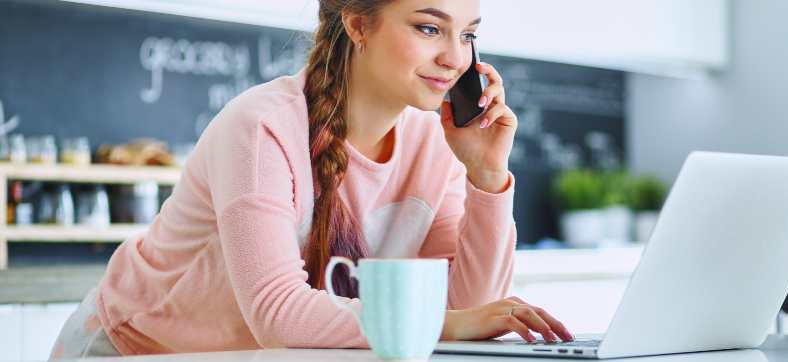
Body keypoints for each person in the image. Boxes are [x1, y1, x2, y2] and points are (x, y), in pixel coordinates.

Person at [50, 0, 572, 358]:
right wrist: (448, 322)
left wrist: (485, 175)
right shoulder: (262, 126)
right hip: (132, 348)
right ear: (358, 25)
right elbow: (277, 312)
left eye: (469, 34)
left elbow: (466, 311)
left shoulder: (437, 145)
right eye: (429, 27)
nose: (456, 57)